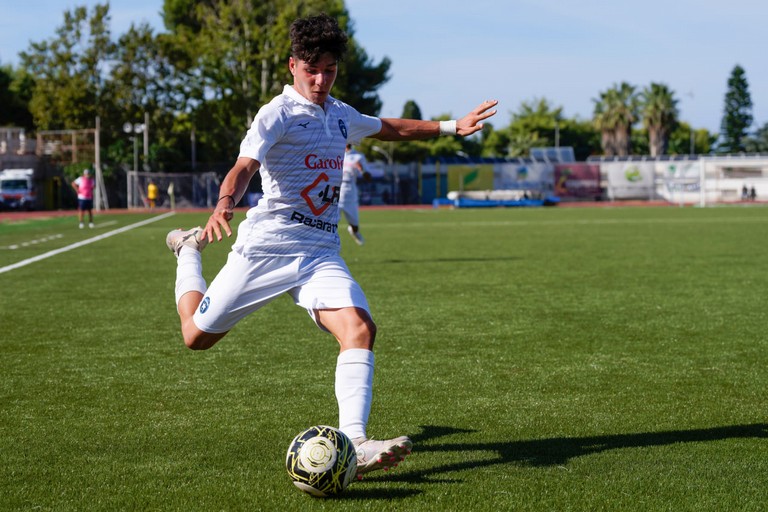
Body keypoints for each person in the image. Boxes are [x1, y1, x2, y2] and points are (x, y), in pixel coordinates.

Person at [165, 13, 496, 479]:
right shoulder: (275, 114)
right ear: (292, 66)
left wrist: (449, 126)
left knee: (360, 329)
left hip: (319, 250)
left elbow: (390, 128)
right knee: (195, 337)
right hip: (266, 247)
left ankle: (356, 443)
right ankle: (188, 254)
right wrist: (223, 204)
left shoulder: (340, 115)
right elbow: (243, 167)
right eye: (311, 69)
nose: (321, 80)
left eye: (330, 70)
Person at [341, 144, 368, 245]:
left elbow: (368, 177)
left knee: (355, 225)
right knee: (331, 223)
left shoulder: (358, 156)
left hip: (350, 191)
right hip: (335, 191)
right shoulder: (335, 151)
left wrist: (361, 169)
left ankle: (354, 231)